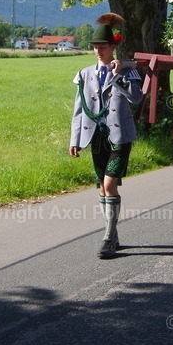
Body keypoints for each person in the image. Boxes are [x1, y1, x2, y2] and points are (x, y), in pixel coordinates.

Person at [69, 13, 143, 259]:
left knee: (110, 184)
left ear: (114, 47)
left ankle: (108, 237)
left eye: (103, 47)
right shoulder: (84, 74)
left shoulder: (128, 71)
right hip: (95, 136)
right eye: (95, 48)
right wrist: (75, 140)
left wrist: (119, 75)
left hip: (119, 136)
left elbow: (136, 98)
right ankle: (114, 232)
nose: (99, 51)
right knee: (102, 187)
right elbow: (79, 110)